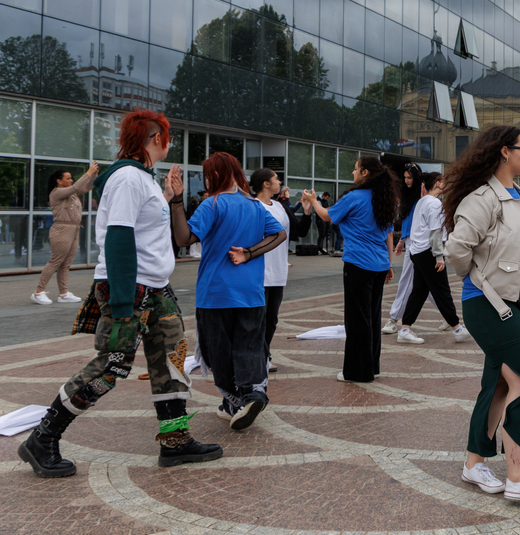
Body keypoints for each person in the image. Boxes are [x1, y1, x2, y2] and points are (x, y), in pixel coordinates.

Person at [18, 110, 222, 478]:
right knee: (112, 365)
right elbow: (119, 238)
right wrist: (124, 303)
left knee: (171, 360)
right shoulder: (128, 178)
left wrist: (169, 196)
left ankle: (175, 441)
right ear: (156, 138)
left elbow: (144, 231)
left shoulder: (142, 178)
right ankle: (43, 438)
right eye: (167, 137)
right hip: (130, 287)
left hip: (155, 288)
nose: (169, 143)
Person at [443, 125, 520, 501]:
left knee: (498, 384)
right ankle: (518, 475)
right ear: (503, 151)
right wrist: (480, 279)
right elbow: (456, 250)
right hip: (490, 303)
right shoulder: (483, 198)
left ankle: (473, 463)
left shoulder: (519, 197)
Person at [170, 153, 286, 431]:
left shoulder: (212, 204)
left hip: (216, 292)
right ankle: (252, 395)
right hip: (251, 292)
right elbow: (279, 234)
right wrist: (249, 253)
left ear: (214, 175)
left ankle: (236, 400)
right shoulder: (255, 205)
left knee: (217, 351)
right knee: (250, 347)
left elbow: (184, 238)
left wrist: (176, 201)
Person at [303, 157, 398, 383]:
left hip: (358, 263)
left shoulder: (354, 197)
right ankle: (372, 366)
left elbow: (326, 216)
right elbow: (388, 235)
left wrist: (313, 201)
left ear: (365, 172)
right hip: (379, 264)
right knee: (372, 316)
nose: (352, 173)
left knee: (357, 319)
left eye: (355, 169)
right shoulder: (385, 198)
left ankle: (358, 372)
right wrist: (389, 263)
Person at [397, 172, 471, 344]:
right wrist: (439, 256)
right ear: (437, 183)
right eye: (443, 181)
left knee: (419, 291)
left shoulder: (422, 201)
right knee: (442, 290)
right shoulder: (435, 203)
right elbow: (435, 231)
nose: (445, 185)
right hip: (428, 252)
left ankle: (405, 329)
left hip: (417, 251)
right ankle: (457, 328)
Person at [250, 169, 299, 374]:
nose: (280, 182)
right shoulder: (252, 205)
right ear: (265, 184)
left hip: (278, 270)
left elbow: (295, 232)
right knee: (257, 319)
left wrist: (306, 211)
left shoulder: (279, 206)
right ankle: (257, 357)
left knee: (271, 319)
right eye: (276, 179)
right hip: (259, 270)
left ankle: (264, 354)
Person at [31, 163, 99, 305]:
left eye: (71, 178)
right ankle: (38, 292)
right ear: (59, 181)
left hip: (74, 229)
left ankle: (63, 293)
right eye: (68, 178)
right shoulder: (56, 192)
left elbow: (86, 187)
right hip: (62, 230)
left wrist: (93, 176)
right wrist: (88, 173)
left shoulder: (72, 194)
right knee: (55, 261)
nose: (71, 180)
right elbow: (76, 187)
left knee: (66, 264)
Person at [382, 163, 437, 335]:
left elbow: (420, 221)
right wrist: (402, 240)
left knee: (408, 281)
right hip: (414, 241)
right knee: (427, 282)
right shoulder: (410, 195)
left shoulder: (422, 196)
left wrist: (403, 240)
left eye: (409, 177)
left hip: (419, 243)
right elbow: (409, 221)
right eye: (405, 177)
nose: (406, 180)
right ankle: (451, 318)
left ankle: (393, 319)